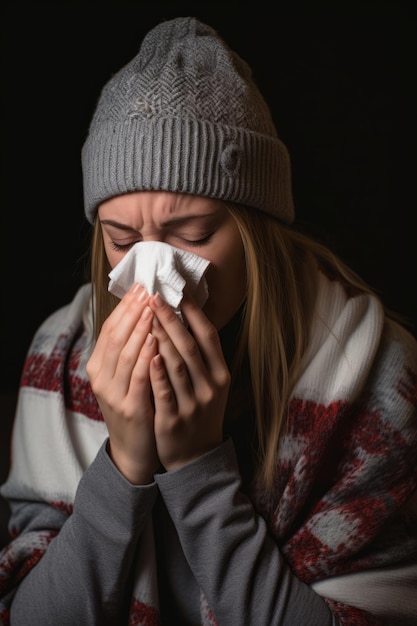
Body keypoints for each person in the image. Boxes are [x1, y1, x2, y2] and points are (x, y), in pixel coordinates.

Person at [0, 15, 416, 626]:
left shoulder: (379, 378)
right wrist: (122, 465)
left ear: (257, 235)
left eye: (190, 235)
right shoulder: (60, 357)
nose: (149, 271)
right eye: (121, 240)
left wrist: (199, 470)